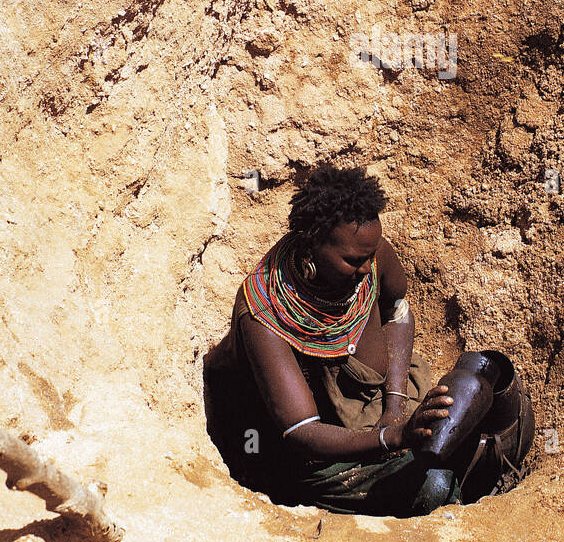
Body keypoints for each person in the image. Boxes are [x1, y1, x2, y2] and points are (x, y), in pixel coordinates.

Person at [203, 163, 534, 516]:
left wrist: (394, 408)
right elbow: (303, 432)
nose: (366, 268)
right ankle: (466, 484)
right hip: (321, 457)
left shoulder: (369, 255)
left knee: (485, 374)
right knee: (433, 486)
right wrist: (392, 438)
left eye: (370, 256)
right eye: (352, 260)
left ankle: (477, 468)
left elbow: (398, 312)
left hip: (386, 404)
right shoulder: (265, 315)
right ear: (312, 243)